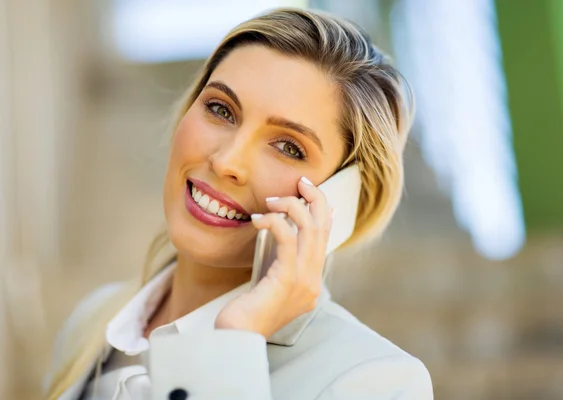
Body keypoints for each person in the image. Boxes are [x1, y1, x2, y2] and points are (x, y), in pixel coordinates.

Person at [44, 7, 433, 400]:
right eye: (220, 109)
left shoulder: (376, 381)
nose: (227, 161)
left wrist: (235, 344)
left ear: (340, 199)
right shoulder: (94, 321)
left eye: (288, 147)